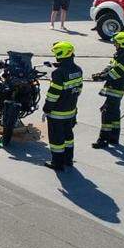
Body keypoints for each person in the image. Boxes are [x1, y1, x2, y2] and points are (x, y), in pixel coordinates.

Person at [42, 40, 83, 171]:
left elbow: (53, 93)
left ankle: (57, 163)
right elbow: (78, 89)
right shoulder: (78, 70)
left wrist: (47, 107)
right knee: (68, 137)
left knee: (56, 139)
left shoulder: (58, 73)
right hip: (71, 110)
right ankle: (68, 160)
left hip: (57, 113)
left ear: (60, 54)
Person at [92, 31, 124, 149]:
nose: (114, 44)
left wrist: (101, 77)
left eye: (116, 43)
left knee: (107, 113)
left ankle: (103, 140)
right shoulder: (120, 54)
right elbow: (110, 66)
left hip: (116, 88)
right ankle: (113, 137)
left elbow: (116, 73)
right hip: (115, 87)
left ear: (122, 43)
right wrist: (102, 73)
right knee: (114, 112)